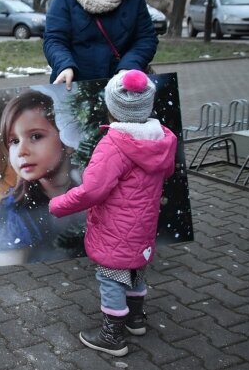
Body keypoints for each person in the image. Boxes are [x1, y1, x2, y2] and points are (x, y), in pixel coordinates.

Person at [49, 70, 177, 357]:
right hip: (143, 226)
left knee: (111, 277)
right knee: (135, 270)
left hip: (115, 229)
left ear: (111, 108)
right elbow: (165, 172)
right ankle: (135, 320)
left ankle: (112, 336)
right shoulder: (160, 139)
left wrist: (58, 204)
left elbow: (92, 190)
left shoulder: (114, 145)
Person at [0, 90, 84, 266]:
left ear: (67, 141)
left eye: (36, 136)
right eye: (14, 141)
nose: (21, 151)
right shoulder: (17, 210)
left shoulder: (87, 188)